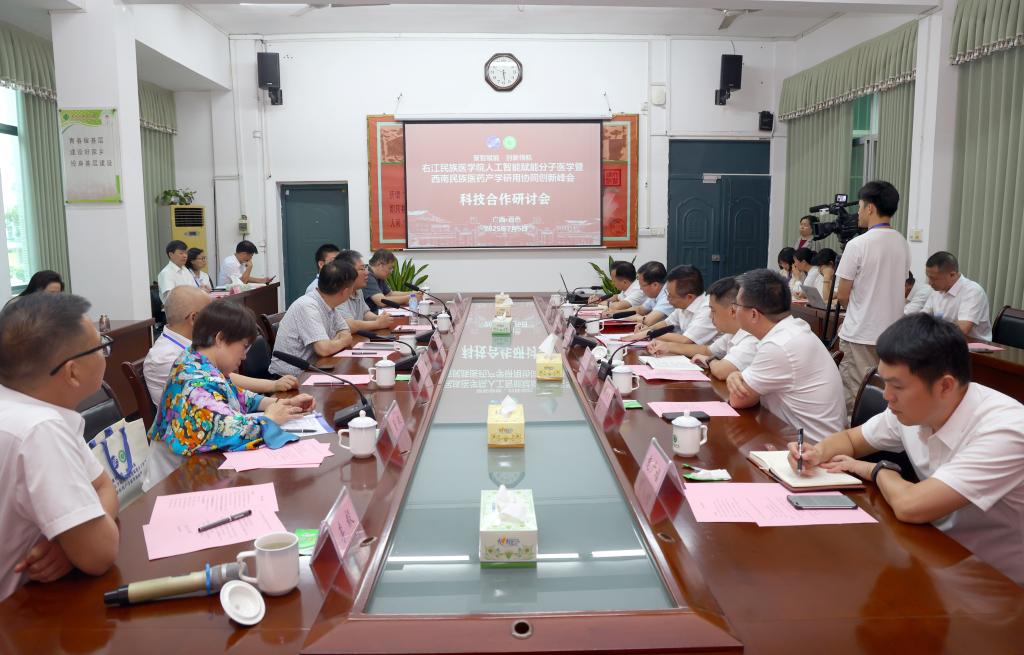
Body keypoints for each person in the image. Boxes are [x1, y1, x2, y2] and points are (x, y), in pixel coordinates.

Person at [786, 313, 1024, 585]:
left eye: (897, 386)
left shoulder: (1006, 430)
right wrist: (817, 453)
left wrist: (879, 470)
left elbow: (911, 506)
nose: (886, 395)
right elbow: (852, 440)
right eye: (884, 381)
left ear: (945, 386)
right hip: (933, 553)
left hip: (997, 584)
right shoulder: (916, 409)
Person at [0, 293, 120, 601]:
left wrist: (70, 545)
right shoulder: (40, 429)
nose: (105, 353)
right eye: (100, 346)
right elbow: (100, 554)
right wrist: (79, 545)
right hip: (17, 613)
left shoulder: (29, 408)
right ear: (72, 372)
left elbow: (103, 485)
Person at [147, 301, 314, 490]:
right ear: (220, 339)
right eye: (243, 347)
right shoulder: (195, 383)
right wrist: (270, 419)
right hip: (176, 482)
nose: (244, 356)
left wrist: (280, 403)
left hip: (198, 472)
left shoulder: (198, 360)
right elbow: (230, 431)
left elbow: (237, 395)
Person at [726, 268, 846, 440]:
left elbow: (739, 400)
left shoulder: (779, 345)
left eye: (737, 305)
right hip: (796, 437)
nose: (734, 310)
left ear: (753, 314)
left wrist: (735, 376)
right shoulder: (792, 329)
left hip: (810, 447)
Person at [144, 287, 298, 406]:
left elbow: (229, 387)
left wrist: (277, 399)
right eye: (211, 312)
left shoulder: (194, 347)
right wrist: (270, 413)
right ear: (195, 318)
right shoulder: (167, 357)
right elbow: (218, 398)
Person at [835, 181, 911, 414]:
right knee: (884, 394)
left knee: (855, 395)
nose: (857, 213)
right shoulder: (902, 242)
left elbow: (842, 295)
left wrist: (855, 309)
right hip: (891, 334)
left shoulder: (858, 244)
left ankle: (855, 435)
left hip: (861, 333)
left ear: (870, 208)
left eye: (859, 207)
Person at [270, 260, 357, 376]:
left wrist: (333, 343)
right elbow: (324, 349)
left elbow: (345, 332)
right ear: (345, 291)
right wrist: (342, 342)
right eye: (353, 287)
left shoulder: (328, 303)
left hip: (315, 369)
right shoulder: (307, 306)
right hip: (288, 378)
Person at [684, 277, 759, 379]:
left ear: (733, 311)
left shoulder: (752, 337)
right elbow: (707, 351)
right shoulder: (733, 333)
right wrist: (667, 346)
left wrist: (709, 360)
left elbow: (722, 371)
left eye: (713, 310)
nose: (710, 316)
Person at [641, 265, 718, 355]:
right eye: (667, 293)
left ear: (689, 297)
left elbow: (685, 340)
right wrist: (647, 329)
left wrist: (649, 334)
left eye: (671, 296)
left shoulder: (708, 309)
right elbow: (667, 323)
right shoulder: (683, 304)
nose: (667, 299)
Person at [921, 251, 992, 341]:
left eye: (934, 278)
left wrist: (932, 325)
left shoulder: (972, 291)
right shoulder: (937, 290)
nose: (930, 283)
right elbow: (922, 319)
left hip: (972, 345)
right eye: (928, 277)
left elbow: (962, 329)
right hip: (943, 341)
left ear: (952, 275)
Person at [334, 250, 394, 332]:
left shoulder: (358, 290)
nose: (367, 273)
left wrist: (379, 318)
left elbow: (365, 313)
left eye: (365, 268)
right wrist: (377, 324)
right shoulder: (338, 292)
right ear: (347, 272)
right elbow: (348, 325)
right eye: (362, 269)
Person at [624, 261, 673, 327]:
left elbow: (648, 321)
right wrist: (615, 313)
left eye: (642, 285)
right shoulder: (656, 293)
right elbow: (641, 309)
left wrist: (637, 318)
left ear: (655, 285)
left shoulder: (669, 295)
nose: (640, 288)